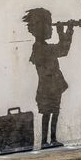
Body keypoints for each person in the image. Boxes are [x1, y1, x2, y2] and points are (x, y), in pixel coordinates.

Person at [22, 8, 74, 149]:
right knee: (48, 113)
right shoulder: (40, 48)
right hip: (48, 87)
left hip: (52, 86)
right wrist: (66, 31)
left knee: (53, 112)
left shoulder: (41, 47)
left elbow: (61, 49)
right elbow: (63, 50)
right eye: (48, 24)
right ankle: (46, 140)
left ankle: (51, 139)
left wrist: (62, 31)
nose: (50, 28)